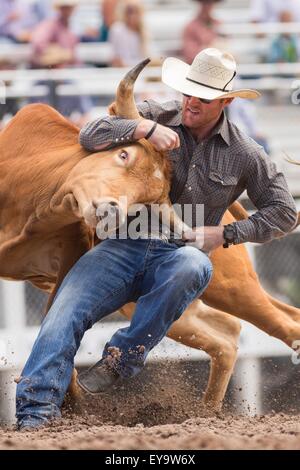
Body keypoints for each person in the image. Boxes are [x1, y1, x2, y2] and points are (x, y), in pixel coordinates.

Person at [16, 48, 297, 430]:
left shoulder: (246, 155)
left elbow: (284, 213)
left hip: (178, 253)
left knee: (194, 263)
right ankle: (34, 415)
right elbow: (90, 133)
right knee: (62, 314)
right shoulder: (153, 114)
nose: (192, 101)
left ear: (226, 101)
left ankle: (123, 356)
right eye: (188, 92)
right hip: (119, 246)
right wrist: (141, 129)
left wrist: (227, 233)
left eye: (204, 96)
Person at [108, 0, 148, 67]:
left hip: (141, 70)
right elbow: (118, 60)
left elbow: (147, 56)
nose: (133, 15)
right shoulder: (117, 29)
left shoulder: (143, 31)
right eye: (130, 12)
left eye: (136, 12)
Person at [182, 0, 223, 65]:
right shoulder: (191, 26)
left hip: (219, 68)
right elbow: (190, 55)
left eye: (210, 3)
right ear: (200, 4)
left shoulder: (218, 24)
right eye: (205, 3)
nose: (208, 6)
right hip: (198, 68)